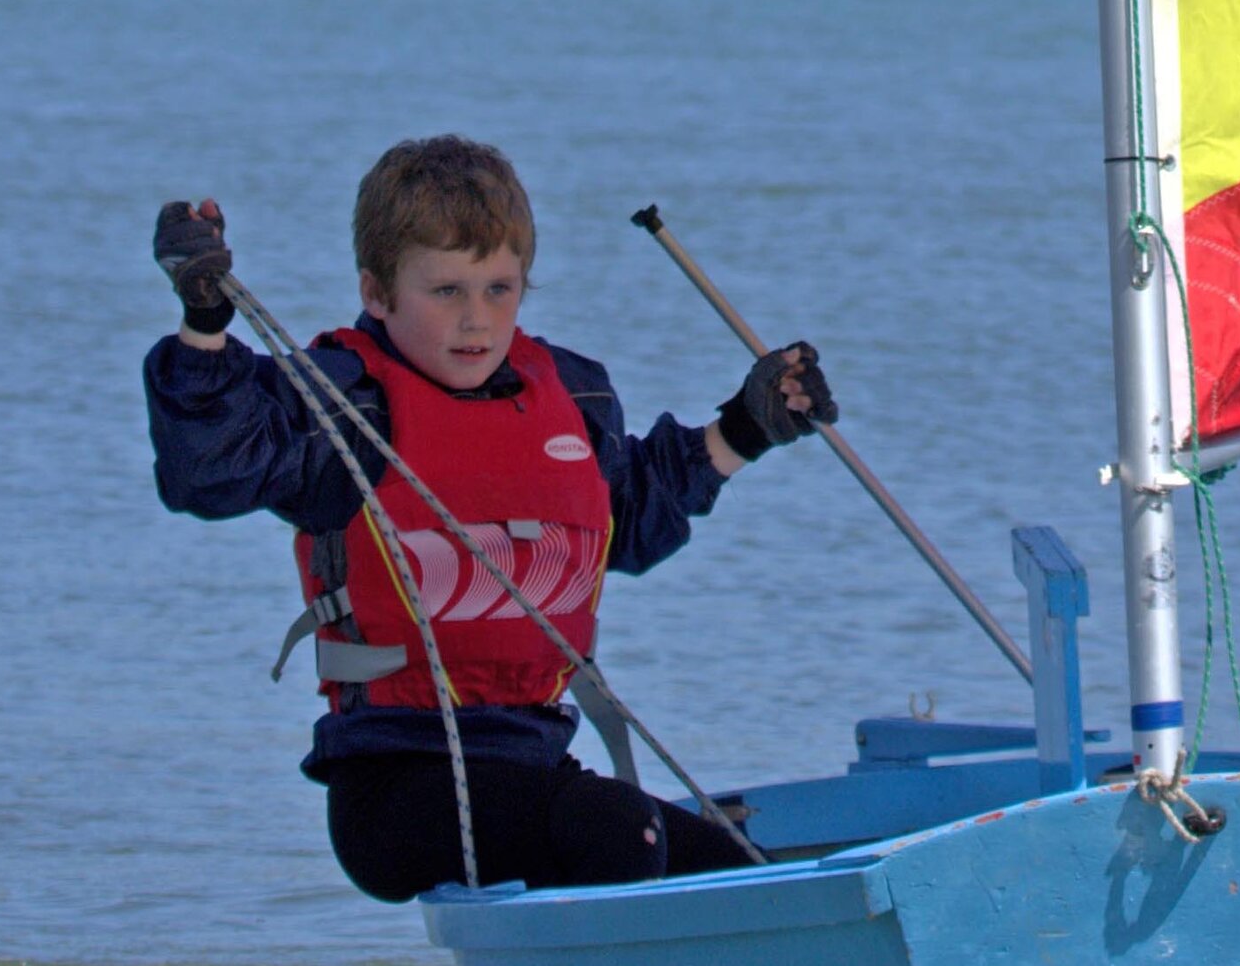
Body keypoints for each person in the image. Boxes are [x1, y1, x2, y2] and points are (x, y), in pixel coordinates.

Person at [144, 130, 835, 903]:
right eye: (447, 292)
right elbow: (207, 471)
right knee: (617, 830)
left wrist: (748, 426)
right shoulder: (348, 402)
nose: (477, 320)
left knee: (749, 877)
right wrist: (205, 319)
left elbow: (628, 523)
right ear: (377, 293)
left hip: (534, 762)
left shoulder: (574, 394)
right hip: (396, 784)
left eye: (499, 289)